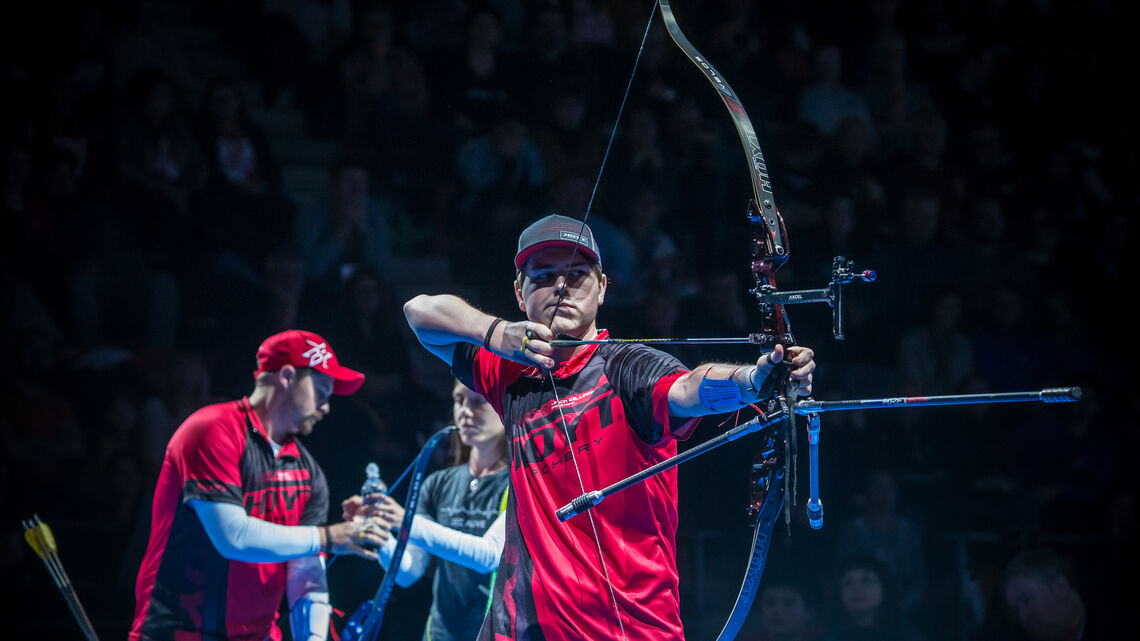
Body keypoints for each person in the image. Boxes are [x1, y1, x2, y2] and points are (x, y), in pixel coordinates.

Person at [402, 213, 816, 640]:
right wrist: (495, 331)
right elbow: (418, 313)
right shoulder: (509, 374)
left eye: (577, 275)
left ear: (602, 288)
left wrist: (754, 381)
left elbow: (690, 388)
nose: (560, 286)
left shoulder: (628, 367)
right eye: (542, 276)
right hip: (522, 629)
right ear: (519, 294)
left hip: (631, 628)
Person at [129, 329, 390, 641]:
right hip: (177, 634)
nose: (326, 407)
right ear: (288, 376)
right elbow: (232, 537)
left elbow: (306, 569)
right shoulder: (211, 430)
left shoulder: (310, 471)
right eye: (321, 392)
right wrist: (329, 537)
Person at [342, 379, 510, 641]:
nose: (466, 411)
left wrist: (405, 522)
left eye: (478, 401)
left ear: (502, 405)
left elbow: (488, 555)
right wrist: (382, 532)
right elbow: (409, 571)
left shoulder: (519, 482)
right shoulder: (438, 483)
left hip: (494, 634)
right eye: (459, 401)